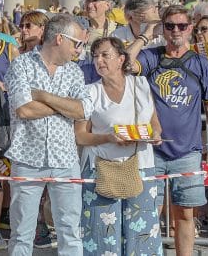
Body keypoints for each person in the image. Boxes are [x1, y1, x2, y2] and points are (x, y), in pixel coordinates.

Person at [126, 4, 208, 255]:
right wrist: (147, 32)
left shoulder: (200, 62)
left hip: (187, 152)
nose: (175, 31)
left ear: (190, 28)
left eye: (181, 26)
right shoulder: (152, 56)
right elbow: (126, 62)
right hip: (152, 150)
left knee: (185, 215)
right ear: (164, 29)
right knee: (147, 213)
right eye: (170, 26)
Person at [5, 13, 90, 256]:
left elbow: (81, 110)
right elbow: (24, 109)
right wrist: (64, 106)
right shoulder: (21, 64)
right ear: (60, 39)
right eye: (77, 43)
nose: (79, 50)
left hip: (65, 160)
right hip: (27, 159)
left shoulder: (74, 72)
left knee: (70, 232)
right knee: (22, 234)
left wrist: (42, 95)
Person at [75, 37, 162, 256]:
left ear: (121, 58)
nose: (99, 61)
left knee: (142, 235)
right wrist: (109, 138)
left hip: (141, 166)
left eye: (105, 55)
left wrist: (154, 137)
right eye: (95, 56)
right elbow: (81, 136)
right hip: (100, 169)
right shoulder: (89, 92)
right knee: (100, 235)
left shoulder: (141, 84)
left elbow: (155, 126)